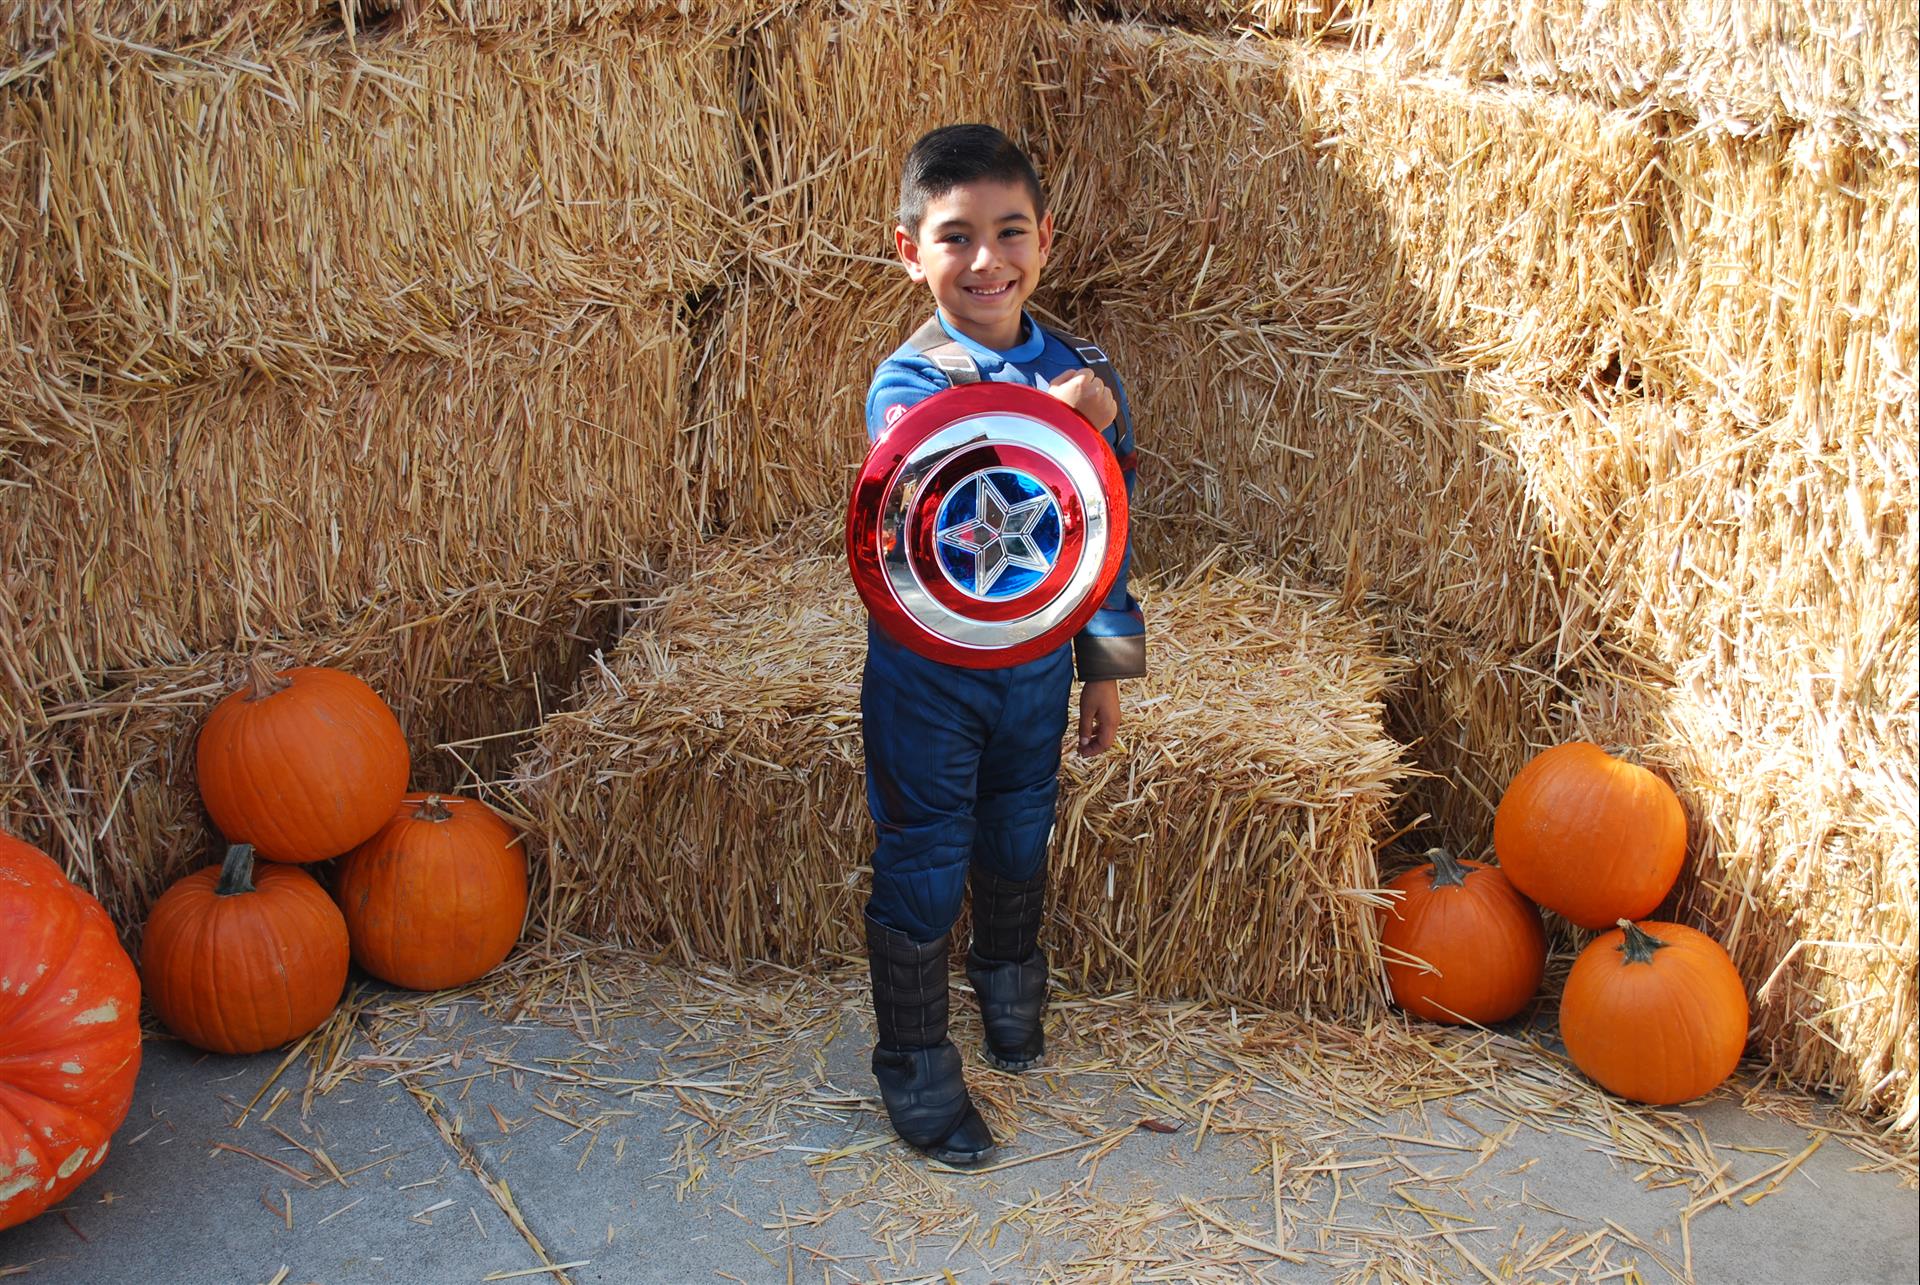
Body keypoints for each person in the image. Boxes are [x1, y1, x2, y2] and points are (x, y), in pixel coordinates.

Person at [858, 123, 1145, 1166]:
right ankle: (918, 1067)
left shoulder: (1082, 366)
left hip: (1032, 675)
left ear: (1046, 239)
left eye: (1009, 231)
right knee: (927, 858)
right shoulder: (910, 382)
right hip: (928, 681)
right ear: (909, 250)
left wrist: (1106, 668)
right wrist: (1049, 418)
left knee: (1022, 836)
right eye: (956, 237)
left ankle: (1010, 989)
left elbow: (1102, 536)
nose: (987, 261)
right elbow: (928, 496)